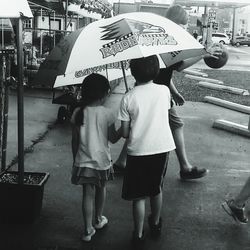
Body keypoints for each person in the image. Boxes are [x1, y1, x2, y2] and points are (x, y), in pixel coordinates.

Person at [114, 4, 209, 180]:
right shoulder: (166, 39)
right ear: (176, 22)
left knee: (139, 125)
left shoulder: (161, 35)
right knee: (176, 125)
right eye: (184, 24)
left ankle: (121, 162)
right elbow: (179, 66)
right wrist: (202, 55)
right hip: (156, 94)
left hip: (152, 89)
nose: (185, 28)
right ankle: (185, 168)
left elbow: (164, 71)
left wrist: (174, 92)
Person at [118, 55, 176, 249]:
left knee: (138, 195)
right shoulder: (164, 91)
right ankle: (156, 223)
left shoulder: (128, 97)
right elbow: (164, 113)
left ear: (133, 73)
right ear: (156, 71)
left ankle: (139, 233)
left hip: (138, 151)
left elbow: (125, 133)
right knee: (156, 188)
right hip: (161, 148)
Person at [71, 73, 122, 242]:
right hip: (102, 162)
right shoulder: (107, 114)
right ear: (105, 93)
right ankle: (98, 220)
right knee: (101, 189)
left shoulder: (78, 112)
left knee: (87, 193)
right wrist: (124, 128)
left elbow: (75, 141)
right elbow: (113, 139)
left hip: (83, 162)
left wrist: (75, 160)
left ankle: (87, 230)